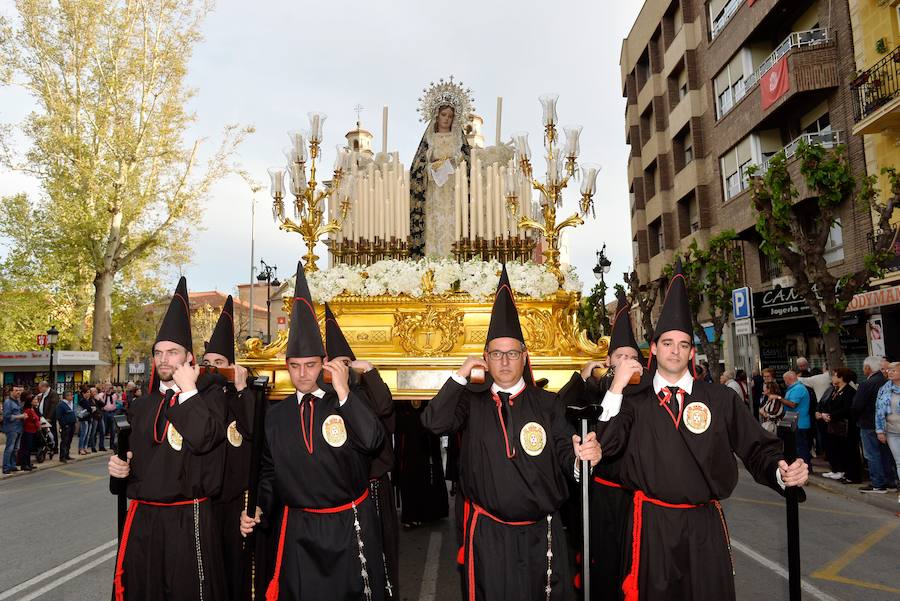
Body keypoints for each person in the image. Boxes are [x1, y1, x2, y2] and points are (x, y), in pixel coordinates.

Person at [596, 260, 808, 601]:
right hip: (652, 526)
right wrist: (616, 389)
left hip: (705, 525)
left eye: (683, 344)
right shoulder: (634, 401)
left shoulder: (721, 399)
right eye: (667, 343)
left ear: (692, 352)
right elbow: (605, 444)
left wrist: (782, 472)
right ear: (653, 349)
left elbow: (757, 448)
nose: (675, 351)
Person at [421, 265, 598, 601]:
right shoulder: (470, 403)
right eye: (496, 354)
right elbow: (433, 422)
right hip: (488, 535)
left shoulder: (548, 404)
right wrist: (460, 376)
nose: (504, 361)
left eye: (512, 353)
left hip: (542, 535)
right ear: (485, 358)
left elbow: (566, 455)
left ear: (524, 357)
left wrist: (581, 460)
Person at [240, 261, 387, 601]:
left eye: (310, 365)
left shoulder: (346, 401)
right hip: (300, 530)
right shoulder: (275, 415)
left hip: (349, 525)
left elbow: (372, 440)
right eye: (295, 366)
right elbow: (269, 472)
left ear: (323, 363)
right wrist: (259, 505)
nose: (303, 374)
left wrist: (345, 391)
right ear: (286, 366)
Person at [107, 276, 228, 601]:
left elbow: (205, 438)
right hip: (144, 519)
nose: (163, 359)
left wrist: (188, 391)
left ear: (189, 358)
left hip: (188, 520)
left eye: (172, 352)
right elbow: (133, 463)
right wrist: (119, 471)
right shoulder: (141, 406)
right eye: (158, 352)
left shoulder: (210, 398)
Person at [558, 290, 643, 601]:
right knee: (603, 567)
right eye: (619, 357)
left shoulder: (645, 393)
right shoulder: (595, 390)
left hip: (637, 499)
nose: (625, 363)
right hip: (602, 496)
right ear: (608, 361)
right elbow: (562, 410)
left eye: (631, 357)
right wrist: (582, 378)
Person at [324, 301, 399, 599]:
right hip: (340, 490)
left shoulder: (365, 393)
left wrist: (368, 370)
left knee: (379, 550)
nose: (341, 369)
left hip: (373, 485)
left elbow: (385, 407)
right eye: (334, 363)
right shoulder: (322, 400)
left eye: (346, 362)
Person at [201, 295, 253, 601]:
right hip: (206, 501)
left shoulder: (244, 399)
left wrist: (242, 388)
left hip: (236, 500)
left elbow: (252, 432)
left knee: (235, 568)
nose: (212, 370)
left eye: (219, 364)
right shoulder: (198, 400)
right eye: (208, 363)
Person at [409, 78, 473, 258]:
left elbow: (467, 161)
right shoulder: (430, 138)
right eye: (444, 115)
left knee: (454, 226)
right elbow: (417, 166)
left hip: (454, 191)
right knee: (435, 227)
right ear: (437, 115)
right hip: (433, 193)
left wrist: (454, 162)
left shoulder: (458, 139)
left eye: (450, 116)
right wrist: (431, 168)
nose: (447, 119)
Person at [852, 356, 897, 493]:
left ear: (867, 368)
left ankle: (878, 483)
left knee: (872, 454)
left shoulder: (867, 384)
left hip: (868, 423)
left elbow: (857, 405)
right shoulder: (886, 381)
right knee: (885, 454)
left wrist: (856, 418)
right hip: (885, 423)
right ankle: (890, 481)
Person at [817, 368, 861, 484]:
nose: (833, 377)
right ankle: (846, 473)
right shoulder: (836, 390)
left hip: (847, 427)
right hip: (837, 427)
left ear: (841, 378)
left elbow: (847, 409)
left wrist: (831, 415)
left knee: (850, 451)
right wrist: (825, 414)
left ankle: (853, 476)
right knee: (842, 451)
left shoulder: (849, 391)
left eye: (835, 375)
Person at [875, 362, 900, 502]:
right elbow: (878, 410)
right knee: (899, 463)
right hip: (891, 431)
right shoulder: (884, 389)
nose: (890, 372)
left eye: (894, 370)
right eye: (889, 370)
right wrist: (880, 431)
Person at [781, 371, 812, 470]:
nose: (784, 382)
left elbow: (793, 404)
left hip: (799, 422)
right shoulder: (793, 388)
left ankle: (806, 468)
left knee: (800, 447)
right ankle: (800, 467)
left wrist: (778, 398)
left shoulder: (798, 389)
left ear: (789, 379)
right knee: (796, 447)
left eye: (785, 380)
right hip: (793, 421)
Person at [3, 385, 26, 474]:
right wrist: (21, 416)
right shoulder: (8, 402)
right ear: (11, 392)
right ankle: (6, 468)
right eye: (16, 390)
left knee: (16, 449)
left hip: (19, 428)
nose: (18, 392)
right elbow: (7, 416)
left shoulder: (18, 401)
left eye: (19, 390)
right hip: (11, 428)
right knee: (9, 448)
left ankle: (12, 466)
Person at [37, 381, 59, 454]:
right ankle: (46, 446)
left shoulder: (53, 393)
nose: (39, 389)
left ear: (44, 387)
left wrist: (49, 418)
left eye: (40, 388)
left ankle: (54, 448)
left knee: (52, 432)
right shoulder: (43, 394)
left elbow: (53, 407)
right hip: (43, 417)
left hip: (49, 418)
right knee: (44, 433)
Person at [19, 392, 40, 471]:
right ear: (30, 401)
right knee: (26, 449)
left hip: (33, 431)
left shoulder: (32, 409)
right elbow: (26, 420)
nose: (36, 400)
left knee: (29, 448)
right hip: (28, 431)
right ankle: (24, 464)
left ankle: (28, 463)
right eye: (34, 399)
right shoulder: (27, 410)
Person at [56, 390, 77, 462]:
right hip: (66, 425)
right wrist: (64, 424)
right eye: (71, 395)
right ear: (66, 396)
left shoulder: (71, 403)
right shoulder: (61, 405)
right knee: (64, 441)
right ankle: (62, 456)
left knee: (69, 441)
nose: (72, 396)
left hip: (72, 424)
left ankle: (67, 454)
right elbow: (59, 416)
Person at [77, 387, 94, 455]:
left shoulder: (89, 400)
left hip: (89, 419)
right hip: (84, 419)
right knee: (83, 434)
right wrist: (91, 409)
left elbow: (93, 407)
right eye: (87, 392)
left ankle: (85, 447)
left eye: (89, 392)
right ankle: (80, 448)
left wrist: (91, 408)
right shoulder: (82, 400)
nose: (89, 393)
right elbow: (89, 409)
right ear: (83, 393)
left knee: (88, 435)